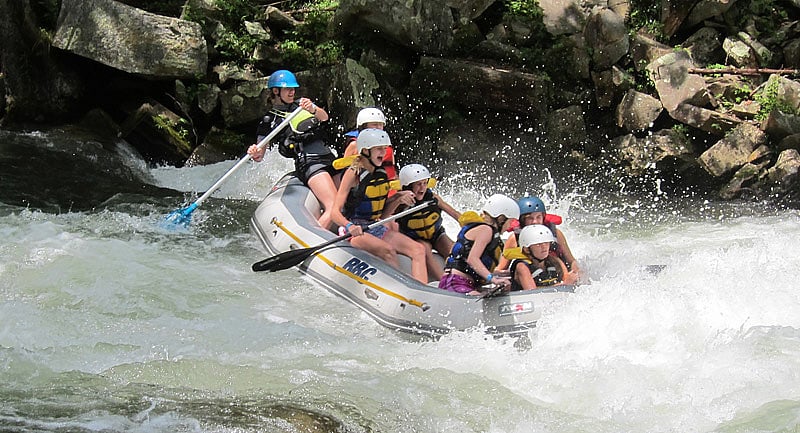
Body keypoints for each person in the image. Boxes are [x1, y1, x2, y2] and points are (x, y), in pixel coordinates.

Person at [329, 128, 428, 283]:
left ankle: (421, 291)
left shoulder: (381, 173)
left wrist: (398, 199)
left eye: (384, 148)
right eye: (379, 149)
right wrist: (349, 226)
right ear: (366, 150)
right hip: (354, 231)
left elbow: (382, 216)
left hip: (374, 227)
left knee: (418, 250)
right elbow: (334, 212)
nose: (384, 152)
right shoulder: (353, 174)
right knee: (388, 251)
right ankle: (399, 289)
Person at [247, 69, 339, 230]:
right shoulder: (269, 120)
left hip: (329, 157)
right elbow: (259, 154)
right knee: (333, 206)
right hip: (309, 163)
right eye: (288, 89)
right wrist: (255, 152)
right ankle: (316, 239)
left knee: (347, 200)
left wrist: (313, 108)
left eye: (293, 89)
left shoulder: (301, 105)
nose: (292, 92)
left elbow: (324, 117)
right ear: (276, 91)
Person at [439, 194, 520, 296]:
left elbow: (475, 267)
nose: (510, 227)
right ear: (501, 218)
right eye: (510, 221)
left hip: (467, 283)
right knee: (483, 303)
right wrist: (492, 279)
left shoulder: (487, 231)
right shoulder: (486, 230)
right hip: (454, 282)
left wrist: (500, 274)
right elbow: (472, 259)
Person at [395, 164, 462, 281]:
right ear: (408, 186)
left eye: (425, 183)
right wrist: (399, 202)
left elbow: (455, 214)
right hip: (415, 238)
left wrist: (472, 224)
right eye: (418, 184)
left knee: (453, 249)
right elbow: (387, 219)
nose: (422, 188)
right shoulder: (400, 203)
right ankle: (444, 282)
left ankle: (465, 279)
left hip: (436, 234)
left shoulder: (433, 198)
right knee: (425, 247)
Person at [497, 196, 581, 283]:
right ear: (522, 220)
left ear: (543, 218)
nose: (535, 222)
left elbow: (571, 260)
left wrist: (577, 273)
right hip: (532, 278)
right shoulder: (514, 239)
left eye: (538, 217)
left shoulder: (556, 234)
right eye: (530, 218)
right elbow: (501, 268)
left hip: (557, 273)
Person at [507, 224, 572, 289]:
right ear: (526, 249)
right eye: (538, 244)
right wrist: (563, 285)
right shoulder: (522, 267)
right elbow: (532, 292)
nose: (544, 247)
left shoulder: (555, 260)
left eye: (546, 243)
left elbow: (566, 279)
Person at [341, 107, 397, 180]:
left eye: (380, 124)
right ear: (363, 126)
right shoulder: (354, 145)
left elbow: (393, 169)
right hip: (361, 183)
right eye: (374, 124)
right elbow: (344, 171)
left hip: (383, 183)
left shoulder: (387, 147)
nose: (378, 127)